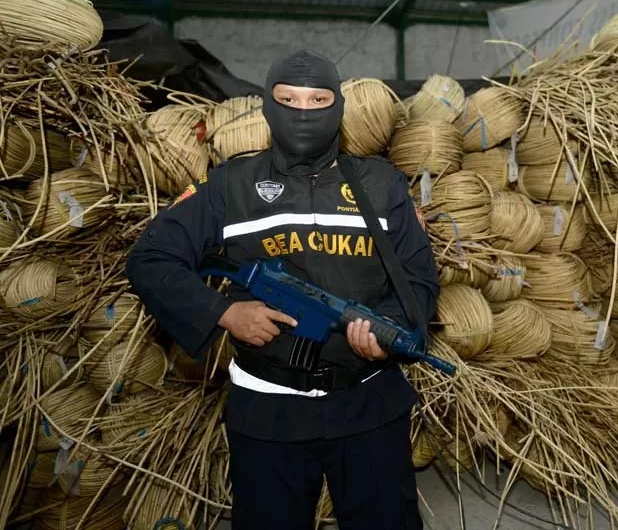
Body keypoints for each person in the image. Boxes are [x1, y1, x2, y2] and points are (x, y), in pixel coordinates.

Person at [125, 49, 439, 530]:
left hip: (368, 405)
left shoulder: (380, 185)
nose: (303, 112)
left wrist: (389, 333)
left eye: (317, 100)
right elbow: (150, 258)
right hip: (267, 409)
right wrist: (223, 312)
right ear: (268, 107)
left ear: (337, 107)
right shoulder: (230, 186)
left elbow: (418, 276)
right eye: (288, 99)